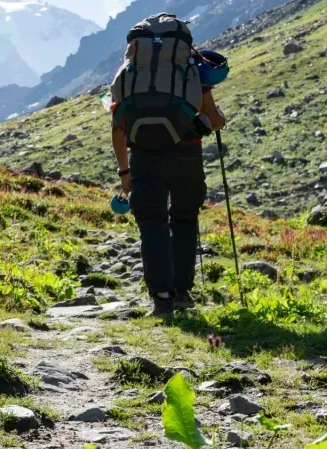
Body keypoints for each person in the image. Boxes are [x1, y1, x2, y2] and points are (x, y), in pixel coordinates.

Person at [110, 14, 227, 317]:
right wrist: (217, 119)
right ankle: (183, 293)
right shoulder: (189, 73)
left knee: (152, 225)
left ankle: (161, 300)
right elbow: (213, 120)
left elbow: (118, 127)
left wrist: (124, 172)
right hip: (186, 155)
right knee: (184, 219)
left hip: (143, 157)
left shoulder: (130, 73)